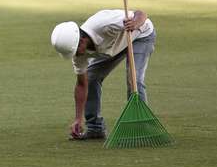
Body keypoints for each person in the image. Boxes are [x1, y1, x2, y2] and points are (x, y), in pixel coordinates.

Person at [50, 9, 156, 140]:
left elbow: (141, 14)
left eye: (76, 51)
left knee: (134, 79)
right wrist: (78, 118)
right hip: (112, 47)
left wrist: (135, 23)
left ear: (82, 40)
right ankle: (95, 128)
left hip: (139, 36)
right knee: (90, 78)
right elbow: (82, 84)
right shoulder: (77, 51)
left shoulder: (104, 24)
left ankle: (142, 127)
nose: (75, 55)